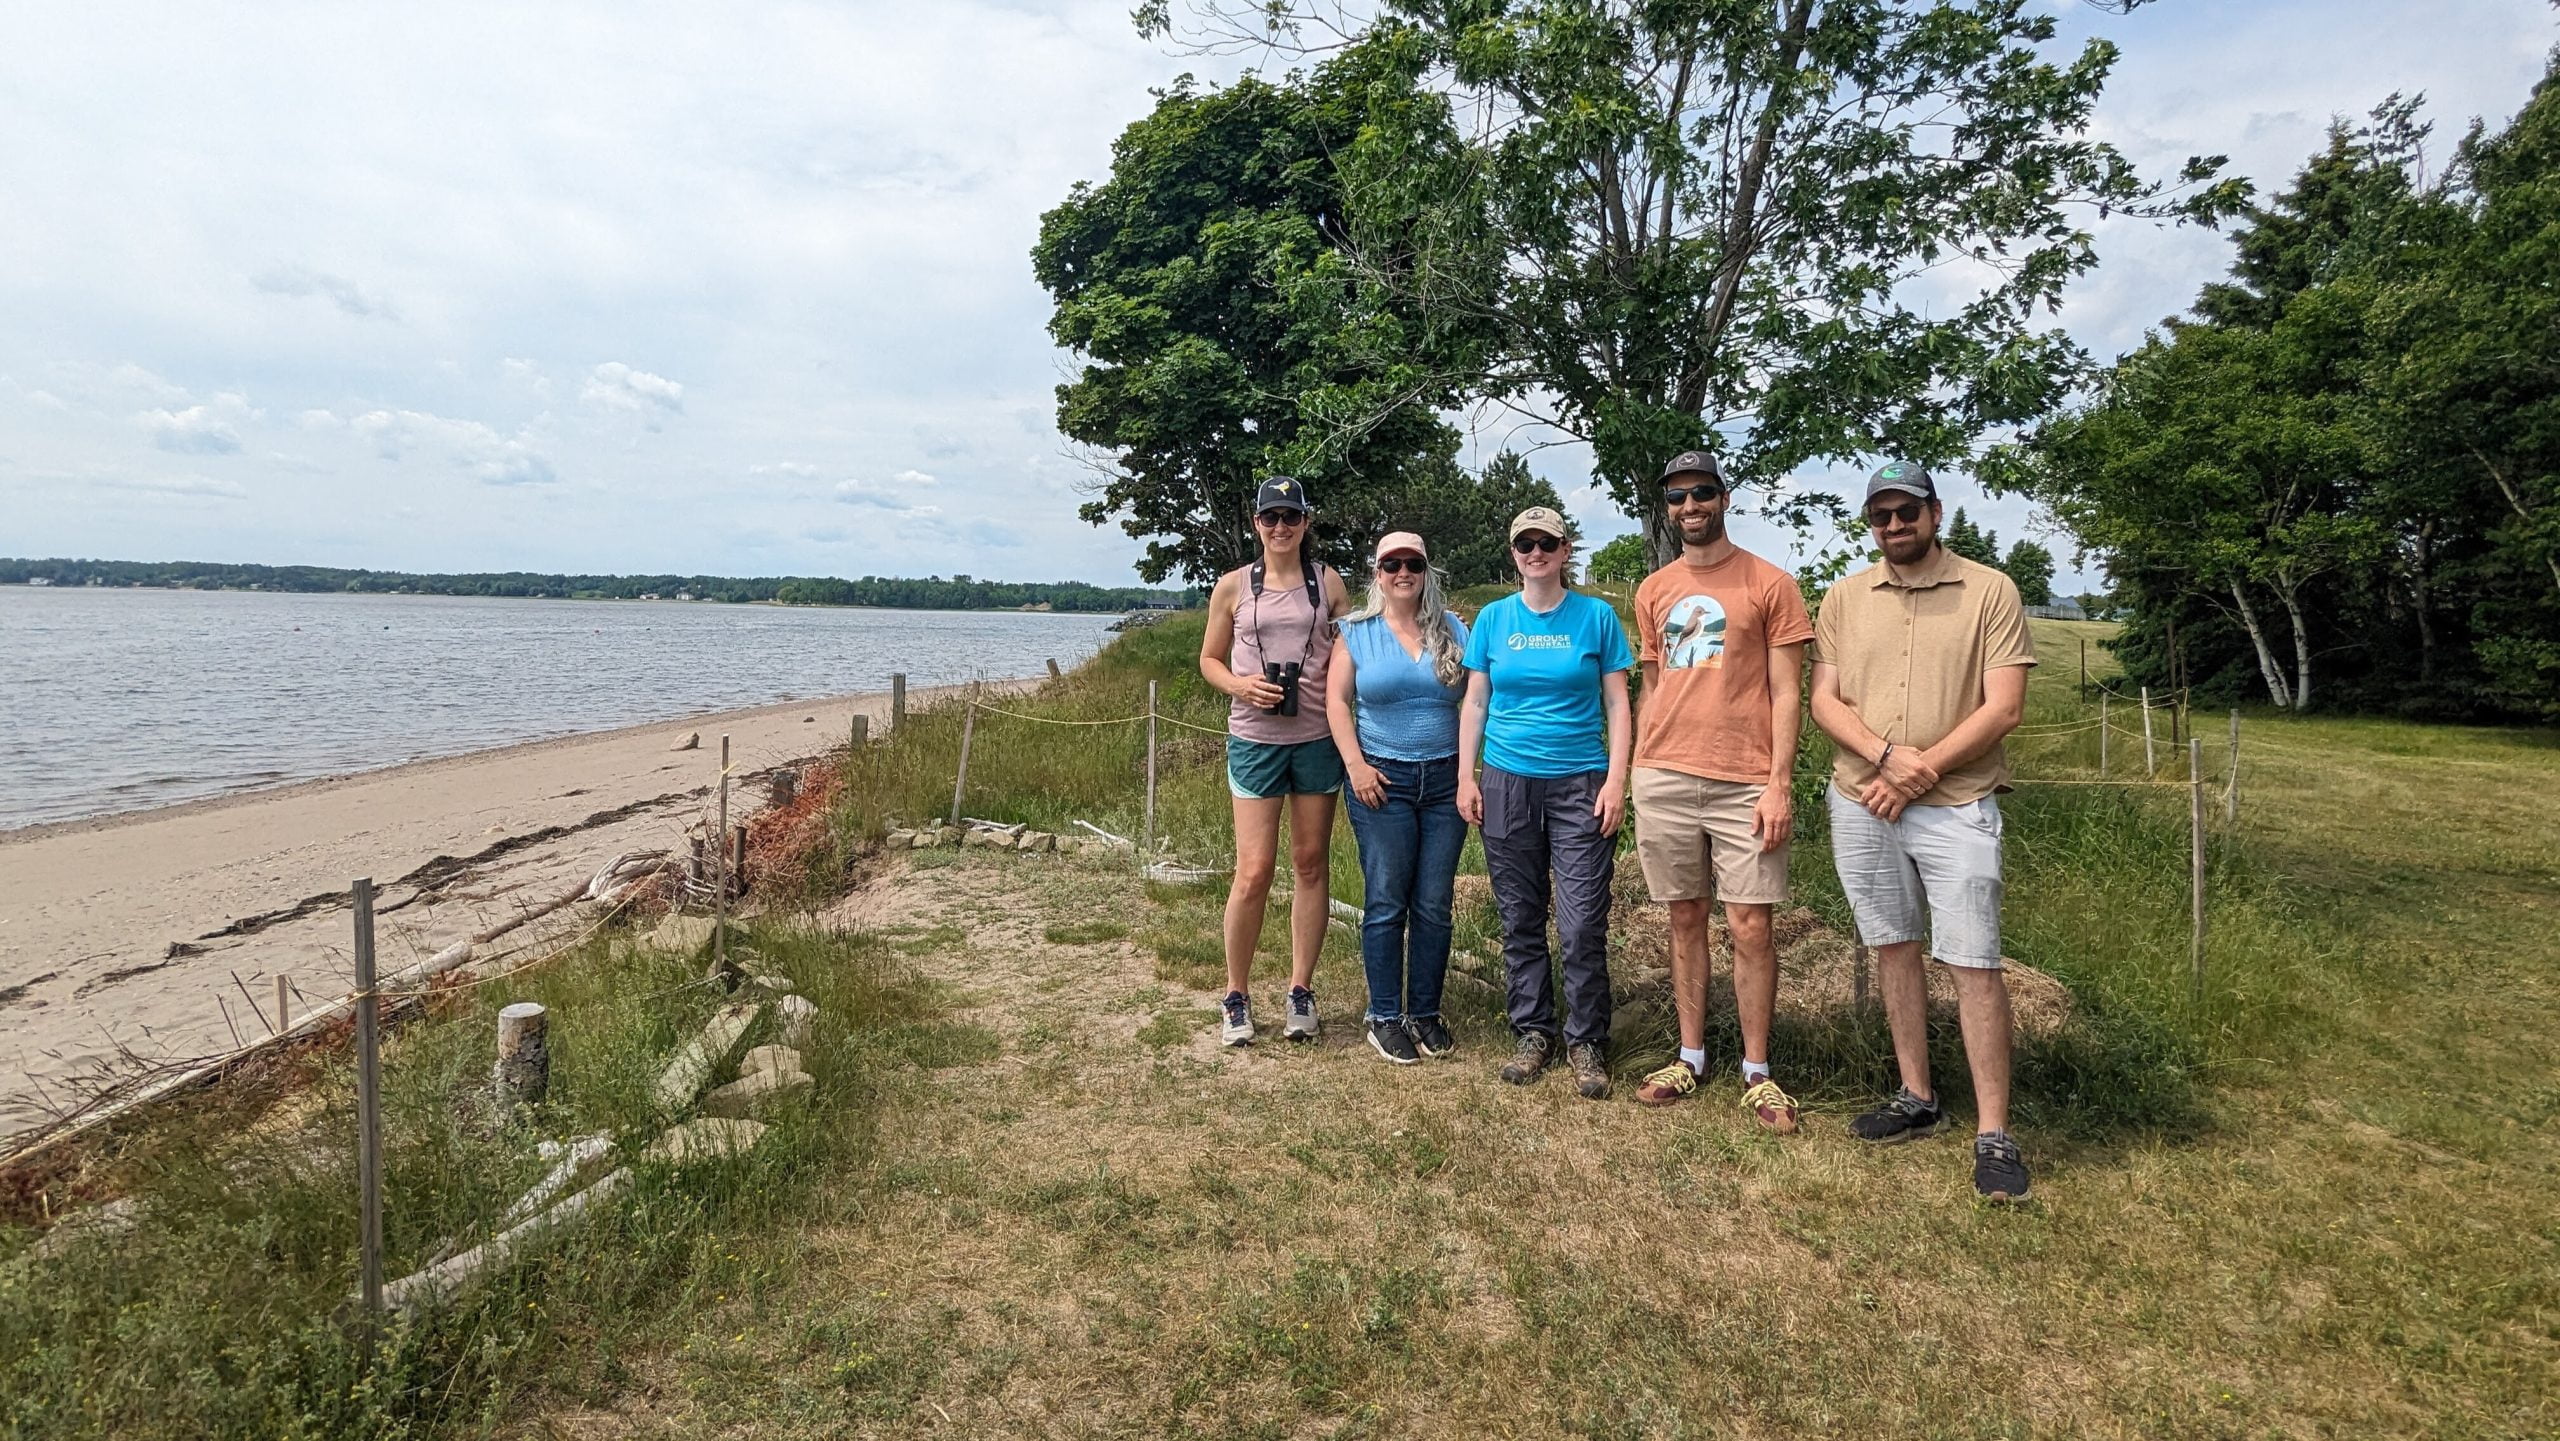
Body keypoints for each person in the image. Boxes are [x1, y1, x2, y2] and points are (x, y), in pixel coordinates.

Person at [1809, 461, 2037, 1202]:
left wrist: (1920, 769)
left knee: (1974, 960)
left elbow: (2003, 707)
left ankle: (1994, 1132)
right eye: (1881, 515)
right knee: (1893, 945)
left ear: (1935, 512)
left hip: (1958, 803)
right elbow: (1825, 700)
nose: (1894, 526)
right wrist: (1883, 756)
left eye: (1907, 511)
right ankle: (1917, 1094)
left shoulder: (1990, 591)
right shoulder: (1844, 596)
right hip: (1862, 796)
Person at [1625, 451, 1815, 1132]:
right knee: (1683, 917)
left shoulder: (1770, 584)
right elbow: (1654, 682)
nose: (1690, 506)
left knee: (1751, 923)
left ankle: (1758, 1071)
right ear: (1668, 507)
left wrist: (1779, 783)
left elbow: (1789, 689)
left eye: (1701, 492)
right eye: (1677, 496)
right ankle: (1691, 1054)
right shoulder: (1654, 590)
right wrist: (1640, 766)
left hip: (1745, 780)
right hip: (1666, 774)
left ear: (1724, 498)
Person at [1457, 506, 1634, 1099]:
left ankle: (1586, 1039)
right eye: (1525, 544)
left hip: (1581, 782)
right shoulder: (1492, 619)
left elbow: (1618, 705)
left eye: (1547, 543)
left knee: (1583, 921)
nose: (1536, 553)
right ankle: (1533, 1030)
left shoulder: (1598, 618)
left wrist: (1616, 780)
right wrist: (1467, 775)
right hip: (1507, 780)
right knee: (1520, 917)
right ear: (1514, 554)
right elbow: (1476, 702)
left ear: (1565, 551)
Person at [1199, 476, 1352, 1047]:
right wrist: (1242, 686)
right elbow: (1209, 660)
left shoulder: (1328, 584)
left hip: (1316, 737)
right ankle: (1236, 993)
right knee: (1254, 869)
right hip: (1256, 739)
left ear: (1306, 523)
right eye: (1271, 518)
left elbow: (1346, 658)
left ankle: (1300, 989)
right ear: (1257, 524)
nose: (1281, 527)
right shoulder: (1233, 587)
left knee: (1310, 862)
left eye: (1291, 517)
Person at [1325, 531, 1470, 1065]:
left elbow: (1476, 698)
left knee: (1434, 902)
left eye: (1413, 563)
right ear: (1377, 572)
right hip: (1381, 778)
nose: (1402, 572)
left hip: (1445, 780)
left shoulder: (1453, 629)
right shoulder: (1356, 633)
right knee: (1386, 899)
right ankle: (1384, 1015)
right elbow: (1337, 704)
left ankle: (1424, 1012)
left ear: (1427, 571)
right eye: (1392, 564)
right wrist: (1356, 766)